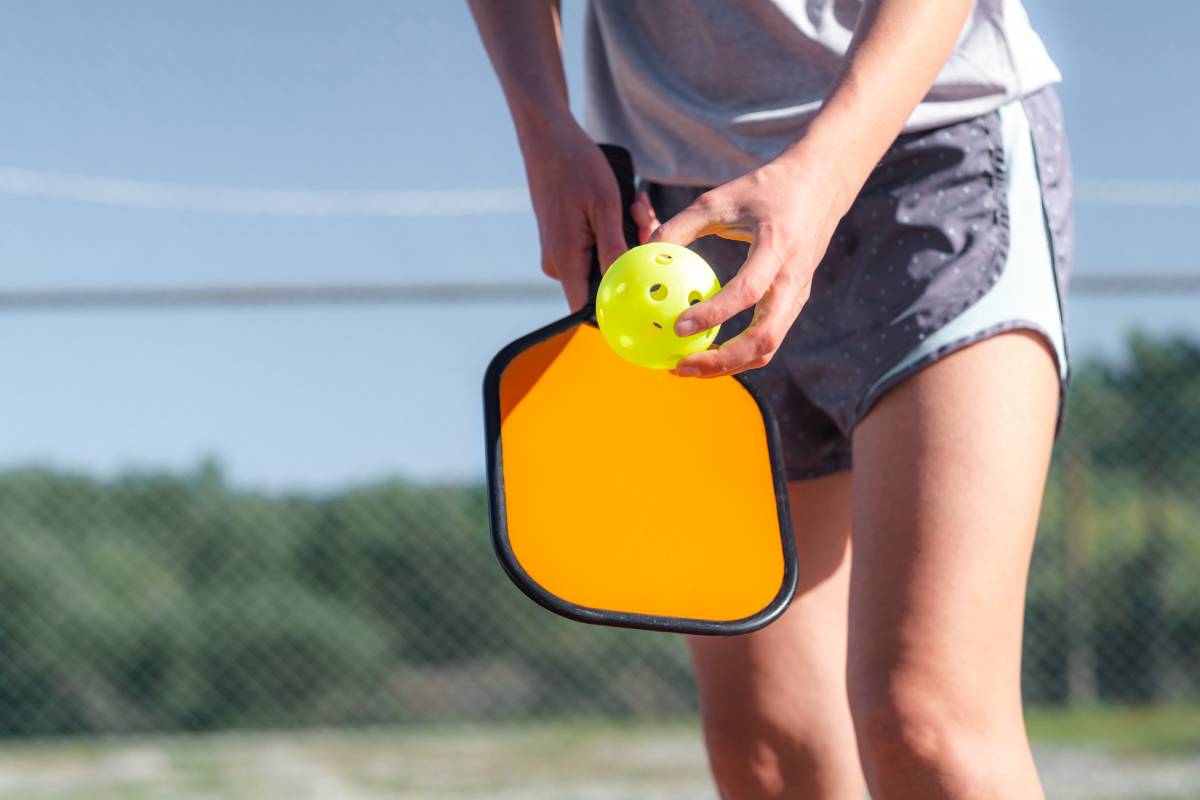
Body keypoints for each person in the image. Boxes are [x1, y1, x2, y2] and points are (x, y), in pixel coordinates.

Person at [468, 1, 1072, 797]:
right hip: (689, 215)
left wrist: (821, 173)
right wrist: (543, 125)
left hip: (932, 156)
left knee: (927, 727)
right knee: (772, 753)